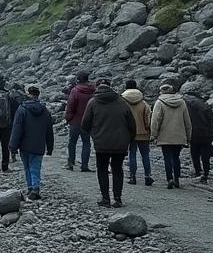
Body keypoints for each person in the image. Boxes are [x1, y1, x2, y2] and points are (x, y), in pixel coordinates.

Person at [81, 78, 135, 208]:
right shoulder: (122, 102)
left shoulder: (93, 102)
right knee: (117, 169)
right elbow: (132, 126)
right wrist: (128, 139)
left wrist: (94, 134)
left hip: (101, 143)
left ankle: (105, 198)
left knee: (102, 170)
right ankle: (117, 198)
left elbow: (85, 124)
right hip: (120, 144)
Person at [9, 85, 54, 200]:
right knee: (36, 166)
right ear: (38, 95)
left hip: (25, 144)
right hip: (39, 144)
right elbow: (49, 130)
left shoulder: (22, 109)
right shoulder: (45, 111)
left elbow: (17, 128)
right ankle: (35, 187)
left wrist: (13, 145)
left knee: (27, 167)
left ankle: (30, 187)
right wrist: (50, 146)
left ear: (28, 95)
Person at [150, 82, 192, 189]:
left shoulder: (159, 102)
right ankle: (177, 179)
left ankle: (169, 179)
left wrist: (153, 135)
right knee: (176, 157)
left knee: (167, 158)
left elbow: (155, 120)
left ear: (161, 91)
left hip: (165, 136)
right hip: (179, 135)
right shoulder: (181, 102)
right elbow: (187, 121)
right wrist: (188, 136)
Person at [122, 79, 153, 186]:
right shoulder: (143, 103)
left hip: (129, 133)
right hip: (143, 133)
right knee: (145, 155)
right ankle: (148, 176)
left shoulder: (123, 102)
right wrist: (148, 128)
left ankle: (132, 176)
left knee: (132, 154)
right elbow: (148, 118)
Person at [64, 70, 96, 172]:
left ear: (78, 79)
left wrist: (68, 118)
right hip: (88, 122)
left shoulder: (75, 90)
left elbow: (70, 106)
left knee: (72, 142)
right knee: (86, 143)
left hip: (75, 121)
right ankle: (85, 165)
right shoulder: (93, 90)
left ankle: (70, 163)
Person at [186, 91, 213, 183]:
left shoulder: (185, 104)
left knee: (194, 152)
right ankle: (206, 172)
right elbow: (210, 120)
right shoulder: (204, 105)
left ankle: (197, 171)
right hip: (205, 133)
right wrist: (211, 134)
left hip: (193, 133)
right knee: (205, 154)